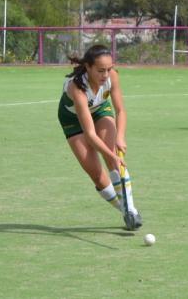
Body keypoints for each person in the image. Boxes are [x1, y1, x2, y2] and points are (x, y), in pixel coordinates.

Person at [57, 44, 142, 229]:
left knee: (112, 156)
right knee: (96, 174)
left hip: (100, 109)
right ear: (88, 67)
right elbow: (90, 135)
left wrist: (120, 137)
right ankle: (124, 210)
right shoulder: (77, 88)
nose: (105, 75)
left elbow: (120, 110)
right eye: (101, 70)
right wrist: (112, 156)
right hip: (72, 119)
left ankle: (132, 210)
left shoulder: (112, 77)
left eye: (109, 69)